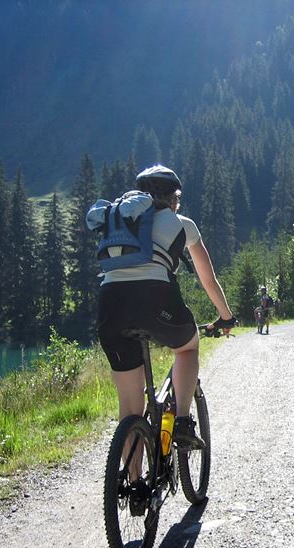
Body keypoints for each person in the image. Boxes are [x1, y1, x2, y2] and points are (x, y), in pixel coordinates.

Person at [88, 164, 235, 450]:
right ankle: (181, 422)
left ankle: (133, 486)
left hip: (111, 305)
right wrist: (225, 317)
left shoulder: (119, 222)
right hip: (156, 299)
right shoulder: (181, 223)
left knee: (129, 410)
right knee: (187, 347)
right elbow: (208, 279)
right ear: (173, 198)